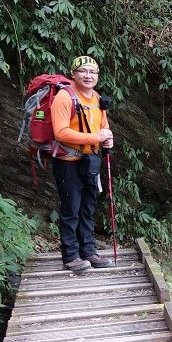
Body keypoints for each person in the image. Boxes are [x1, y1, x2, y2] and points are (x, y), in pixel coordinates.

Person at [50, 55, 114, 271]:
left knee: (88, 207)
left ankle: (88, 251)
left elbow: (103, 126)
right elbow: (60, 133)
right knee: (71, 208)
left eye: (93, 72)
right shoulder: (64, 97)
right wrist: (94, 138)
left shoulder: (96, 98)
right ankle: (70, 257)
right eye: (83, 71)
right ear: (73, 74)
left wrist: (107, 137)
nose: (88, 76)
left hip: (91, 160)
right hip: (67, 161)